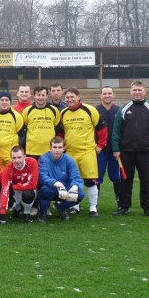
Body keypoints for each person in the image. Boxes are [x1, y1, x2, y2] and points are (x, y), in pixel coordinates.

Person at [112, 80, 149, 217]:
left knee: (146, 180)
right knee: (125, 181)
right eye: (134, 90)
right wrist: (116, 149)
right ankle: (124, 207)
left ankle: (147, 208)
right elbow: (116, 131)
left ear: (144, 91)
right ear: (130, 91)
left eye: (139, 90)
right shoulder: (123, 109)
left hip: (146, 151)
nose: (137, 92)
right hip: (126, 152)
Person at [59, 87, 106, 218]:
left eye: (72, 97)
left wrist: (100, 145)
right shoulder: (63, 113)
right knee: (72, 180)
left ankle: (92, 207)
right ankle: (75, 206)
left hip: (87, 152)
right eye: (67, 97)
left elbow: (102, 129)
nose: (69, 99)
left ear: (78, 97)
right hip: (70, 153)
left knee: (90, 180)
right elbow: (61, 133)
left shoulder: (90, 110)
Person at [37, 137, 84, 222]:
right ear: (50, 148)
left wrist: (75, 186)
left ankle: (61, 208)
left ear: (64, 148)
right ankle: (43, 213)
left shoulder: (69, 160)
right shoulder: (44, 158)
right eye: (54, 147)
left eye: (59, 147)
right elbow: (42, 177)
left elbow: (76, 176)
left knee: (80, 194)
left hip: (65, 189)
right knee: (44, 190)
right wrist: (56, 183)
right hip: (51, 188)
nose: (57, 150)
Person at [0, 145, 39, 224]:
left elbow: (32, 185)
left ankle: (27, 212)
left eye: (19, 157)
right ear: (11, 158)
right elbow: (4, 190)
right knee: (9, 203)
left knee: (28, 194)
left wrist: (14, 186)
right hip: (15, 192)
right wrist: (2, 213)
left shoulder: (32, 162)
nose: (17, 161)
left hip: (31, 191)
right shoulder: (8, 168)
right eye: (14, 158)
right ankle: (17, 208)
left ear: (24, 156)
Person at [96, 86, 121, 203]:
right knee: (97, 176)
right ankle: (94, 204)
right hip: (99, 150)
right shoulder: (95, 111)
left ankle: (120, 202)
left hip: (115, 150)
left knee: (116, 177)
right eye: (104, 93)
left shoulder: (119, 110)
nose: (107, 96)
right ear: (101, 95)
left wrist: (120, 148)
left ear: (114, 95)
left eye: (109, 93)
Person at [23, 86, 61, 159]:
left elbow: (57, 129)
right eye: (38, 95)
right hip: (32, 151)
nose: (40, 97)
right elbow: (24, 129)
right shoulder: (27, 111)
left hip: (49, 150)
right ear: (34, 96)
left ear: (47, 96)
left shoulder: (54, 110)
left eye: (43, 95)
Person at [0, 91, 24, 169]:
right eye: (2, 100)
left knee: (10, 176)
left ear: (10, 102)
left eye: (6, 100)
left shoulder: (17, 116)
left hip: (11, 153)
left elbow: (22, 135)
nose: (4, 102)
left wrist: (19, 151)